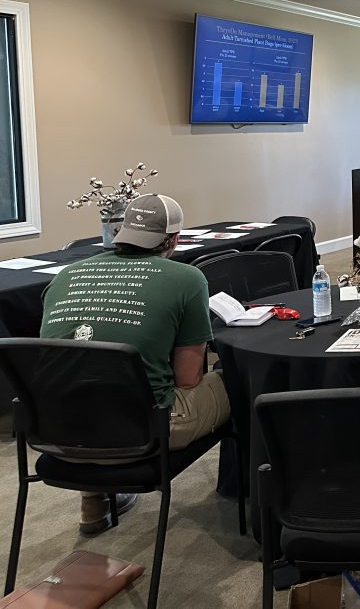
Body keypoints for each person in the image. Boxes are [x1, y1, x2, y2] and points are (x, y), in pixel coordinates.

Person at [40, 194, 230, 535]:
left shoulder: (65, 276)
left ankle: (93, 502)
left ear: (121, 232)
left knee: (87, 383)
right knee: (233, 380)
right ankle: (244, 498)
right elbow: (187, 379)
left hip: (56, 430)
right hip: (142, 432)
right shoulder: (187, 279)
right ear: (173, 240)